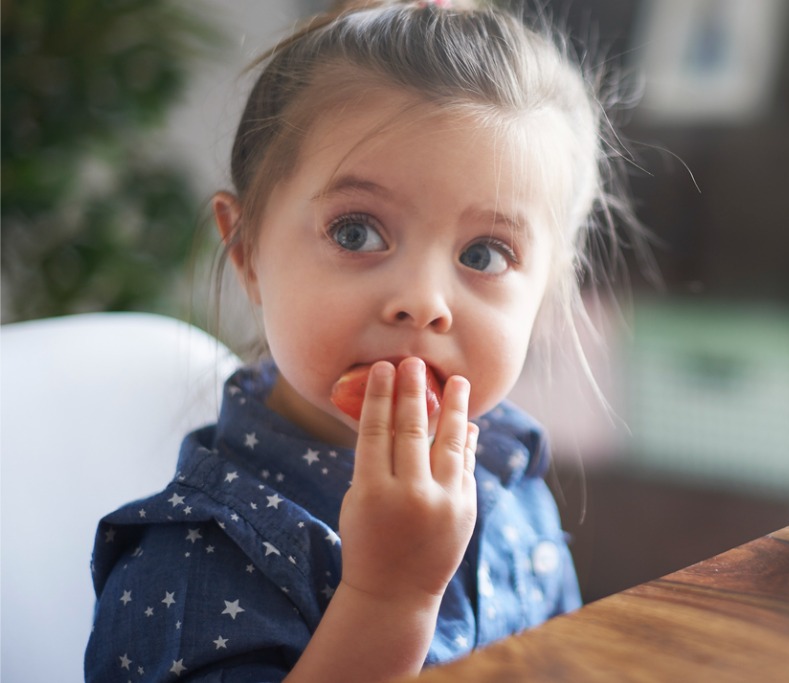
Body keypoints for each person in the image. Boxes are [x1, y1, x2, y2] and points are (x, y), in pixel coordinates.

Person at [85, 1, 642, 680]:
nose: (423, 302)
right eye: (355, 232)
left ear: (549, 292)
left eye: (486, 253)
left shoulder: (509, 474)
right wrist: (388, 598)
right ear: (248, 250)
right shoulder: (195, 561)